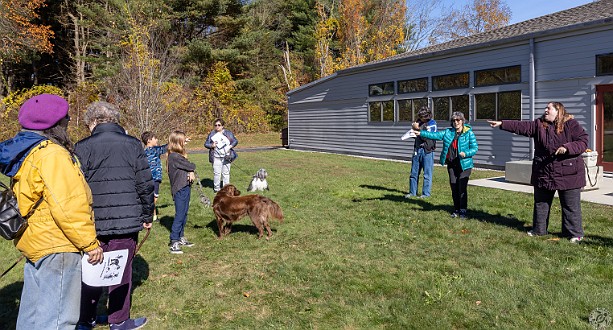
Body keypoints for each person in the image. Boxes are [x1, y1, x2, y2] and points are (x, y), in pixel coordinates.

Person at [0, 94, 103, 330]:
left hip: (36, 242)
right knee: (57, 319)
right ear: (55, 125)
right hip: (58, 245)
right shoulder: (53, 155)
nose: (68, 121)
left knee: (33, 316)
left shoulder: (30, 152)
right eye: (66, 118)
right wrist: (89, 243)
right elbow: (68, 204)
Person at [74, 101, 154, 330]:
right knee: (121, 271)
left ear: (93, 122)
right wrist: (147, 214)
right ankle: (117, 320)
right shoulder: (133, 145)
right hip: (125, 220)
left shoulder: (82, 147)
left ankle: (87, 319)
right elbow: (145, 184)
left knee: (91, 271)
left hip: (94, 222)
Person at [488, 102, 588, 242]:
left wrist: (567, 147)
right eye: (545, 108)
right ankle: (539, 230)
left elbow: (583, 141)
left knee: (570, 206)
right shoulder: (539, 124)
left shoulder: (571, 124)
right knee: (541, 203)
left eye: (549, 108)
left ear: (558, 111)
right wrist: (502, 124)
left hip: (569, 173)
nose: (545, 110)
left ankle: (574, 234)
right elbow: (521, 126)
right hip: (544, 172)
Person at [415, 111, 478, 218]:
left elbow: (475, 148)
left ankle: (463, 210)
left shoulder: (469, 133)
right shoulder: (448, 132)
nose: (456, 122)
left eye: (458, 120)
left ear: (462, 121)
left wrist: (465, 153)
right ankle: (456, 209)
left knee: (461, 187)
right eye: (453, 120)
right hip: (452, 164)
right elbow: (435, 135)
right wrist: (421, 133)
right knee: (454, 187)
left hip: (465, 165)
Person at [167, 130, 196, 254]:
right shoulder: (174, 156)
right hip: (180, 188)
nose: (185, 142)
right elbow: (191, 165)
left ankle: (181, 236)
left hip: (185, 186)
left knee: (184, 213)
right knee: (180, 214)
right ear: (178, 142)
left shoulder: (177, 155)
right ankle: (174, 240)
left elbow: (188, 166)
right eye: (183, 140)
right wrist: (191, 170)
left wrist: (190, 171)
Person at [406, 107, 437, 198]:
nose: (421, 119)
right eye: (420, 117)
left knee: (427, 174)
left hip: (427, 151)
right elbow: (414, 134)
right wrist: (413, 131)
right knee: (414, 173)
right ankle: (412, 192)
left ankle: (426, 194)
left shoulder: (432, 123)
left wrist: (418, 129)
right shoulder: (418, 122)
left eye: (423, 117)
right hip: (417, 149)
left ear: (427, 116)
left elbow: (427, 137)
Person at [204, 118, 238, 192]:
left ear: (222, 126)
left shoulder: (228, 133)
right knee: (217, 174)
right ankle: (217, 189)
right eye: (215, 125)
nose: (217, 127)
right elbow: (206, 144)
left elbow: (235, 141)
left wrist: (230, 146)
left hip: (227, 157)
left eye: (219, 125)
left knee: (226, 173)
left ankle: (226, 189)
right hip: (216, 157)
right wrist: (211, 145)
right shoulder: (212, 134)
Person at [141, 131, 168, 222]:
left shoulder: (143, 152)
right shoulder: (153, 150)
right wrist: (178, 141)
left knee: (152, 198)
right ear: (149, 140)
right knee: (154, 198)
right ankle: (148, 215)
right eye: (154, 138)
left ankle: (154, 216)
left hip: (146, 178)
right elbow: (166, 147)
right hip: (154, 178)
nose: (157, 140)